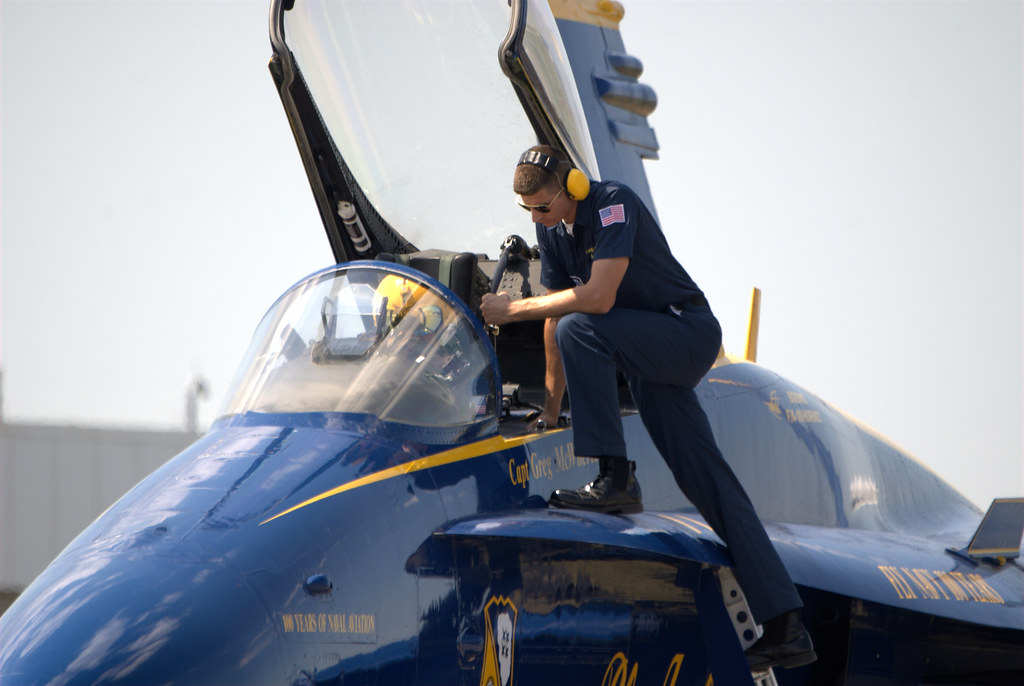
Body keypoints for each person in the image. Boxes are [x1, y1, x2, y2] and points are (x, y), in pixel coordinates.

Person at [480, 145, 816, 672]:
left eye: (542, 207)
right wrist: (549, 410)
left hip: (685, 333)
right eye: (528, 212)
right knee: (708, 481)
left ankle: (615, 478)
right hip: (644, 354)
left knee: (581, 327)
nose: (536, 219)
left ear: (570, 186)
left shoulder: (613, 204)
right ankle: (786, 625)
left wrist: (511, 309)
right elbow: (553, 326)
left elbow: (597, 300)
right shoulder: (552, 231)